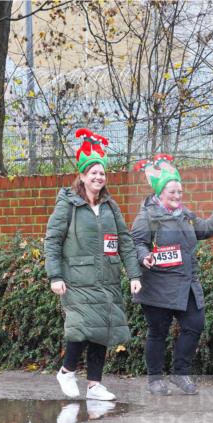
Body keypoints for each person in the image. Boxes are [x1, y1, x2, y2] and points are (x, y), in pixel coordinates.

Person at [44, 128, 142, 401]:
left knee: (103, 329)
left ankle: (94, 385)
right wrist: (55, 276)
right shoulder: (68, 204)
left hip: (107, 278)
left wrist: (134, 274)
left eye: (102, 173)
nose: (99, 177)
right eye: (93, 172)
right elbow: (53, 240)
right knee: (81, 327)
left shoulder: (110, 206)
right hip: (76, 279)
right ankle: (66, 371)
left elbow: (125, 240)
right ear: (83, 175)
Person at [131, 154, 213, 395]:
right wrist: (143, 256)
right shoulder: (147, 216)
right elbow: (136, 242)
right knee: (158, 332)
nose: (177, 196)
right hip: (158, 284)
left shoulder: (185, 215)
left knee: (194, 325)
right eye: (172, 192)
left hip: (186, 284)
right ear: (160, 193)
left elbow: (207, 229)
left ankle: (181, 373)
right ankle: (155, 379)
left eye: (180, 192)